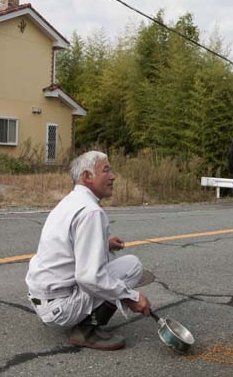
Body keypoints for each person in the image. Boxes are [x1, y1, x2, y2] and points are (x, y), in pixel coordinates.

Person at [25, 150, 151, 350]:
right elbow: (89, 277)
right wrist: (131, 297)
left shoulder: (70, 202)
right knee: (132, 267)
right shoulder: (91, 212)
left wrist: (103, 242)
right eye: (106, 171)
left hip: (42, 300)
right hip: (60, 308)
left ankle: (80, 318)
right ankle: (87, 330)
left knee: (114, 262)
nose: (113, 176)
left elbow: (67, 243)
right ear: (86, 176)